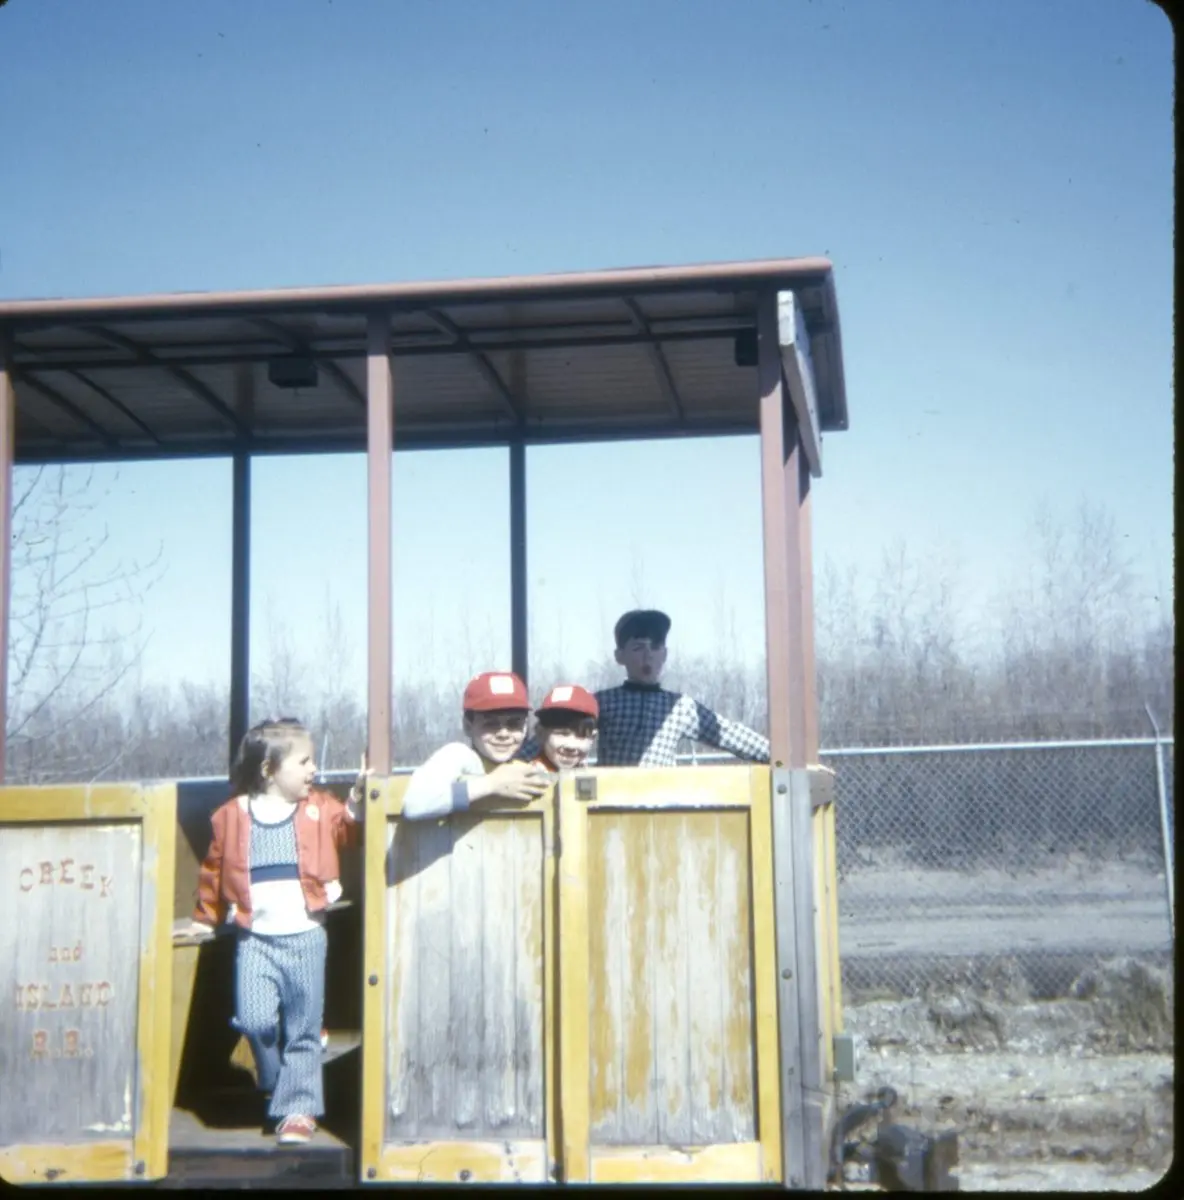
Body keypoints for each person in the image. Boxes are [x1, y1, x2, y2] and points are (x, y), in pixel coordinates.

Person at [179, 718, 369, 1146]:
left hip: (306, 938)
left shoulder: (319, 808)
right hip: (255, 941)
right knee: (255, 1018)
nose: (313, 769)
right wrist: (205, 916)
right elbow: (213, 870)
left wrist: (359, 794)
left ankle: (298, 1110)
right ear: (268, 769)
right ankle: (278, 1081)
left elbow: (350, 828)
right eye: (304, 762)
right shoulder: (232, 816)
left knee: (303, 1028)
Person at [594, 609, 770, 767]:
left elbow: (730, 734)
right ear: (620, 656)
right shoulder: (603, 703)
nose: (648, 656)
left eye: (655, 647)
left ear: (664, 654)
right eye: (638, 648)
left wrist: (780, 758)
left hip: (661, 793)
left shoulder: (679, 707)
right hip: (612, 792)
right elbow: (577, 738)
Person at [400, 671, 555, 818]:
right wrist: (492, 784)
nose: (503, 734)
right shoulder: (459, 756)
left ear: (525, 728)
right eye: (490, 724)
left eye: (514, 724)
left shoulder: (524, 764)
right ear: (468, 726)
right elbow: (414, 804)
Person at [530, 684, 599, 771]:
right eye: (562, 734)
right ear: (541, 734)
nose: (571, 746)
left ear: (592, 739)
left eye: (581, 736)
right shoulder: (528, 775)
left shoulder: (591, 775)